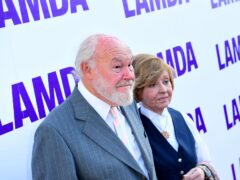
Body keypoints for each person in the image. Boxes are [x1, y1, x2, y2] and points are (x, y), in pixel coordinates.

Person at [31, 34, 157, 180]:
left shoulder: (126, 101)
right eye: (117, 67)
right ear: (87, 69)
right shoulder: (54, 132)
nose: (129, 75)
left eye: (130, 65)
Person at [132, 54, 219, 180]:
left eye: (166, 82)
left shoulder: (182, 118)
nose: (163, 90)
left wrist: (201, 171)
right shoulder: (135, 130)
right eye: (152, 85)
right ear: (138, 91)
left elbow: (205, 161)